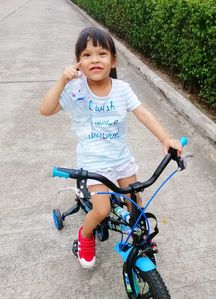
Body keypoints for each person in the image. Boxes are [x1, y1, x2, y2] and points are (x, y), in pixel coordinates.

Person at [40, 26, 182, 269]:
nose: (94, 59)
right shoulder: (75, 91)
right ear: (78, 64)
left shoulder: (122, 89)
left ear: (113, 60)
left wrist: (165, 139)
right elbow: (46, 109)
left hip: (121, 160)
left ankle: (139, 239)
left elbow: (143, 113)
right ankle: (85, 236)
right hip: (94, 163)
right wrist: (62, 80)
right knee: (102, 210)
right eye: (86, 55)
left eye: (102, 53)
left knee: (136, 200)